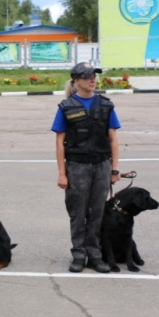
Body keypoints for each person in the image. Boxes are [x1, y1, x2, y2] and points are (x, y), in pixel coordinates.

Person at [51, 62, 121, 273]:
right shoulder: (66, 107)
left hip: (101, 166)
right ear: (76, 81)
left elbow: (113, 140)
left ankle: (95, 254)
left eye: (94, 76)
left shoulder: (106, 105)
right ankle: (79, 254)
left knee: (97, 212)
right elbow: (59, 142)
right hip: (77, 167)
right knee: (78, 213)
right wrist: (62, 173)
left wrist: (114, 169)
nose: (93, 80)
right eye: (88, 76)